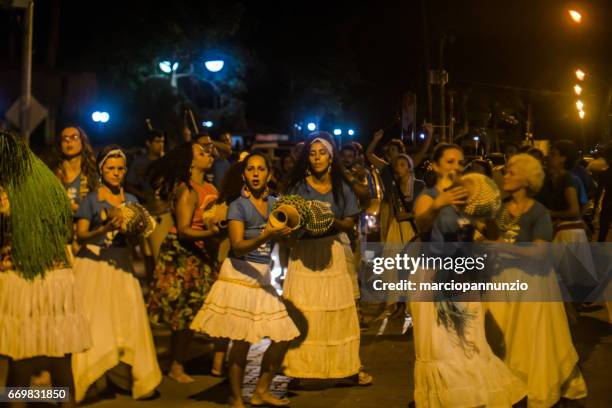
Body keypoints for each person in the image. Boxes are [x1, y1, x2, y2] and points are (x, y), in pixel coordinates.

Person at [412, 143, 526, 407]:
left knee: (469, 341)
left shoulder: (468, 198)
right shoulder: (428, 196)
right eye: (449, 161)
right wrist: (439, 205)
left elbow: (492, 234)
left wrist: (490, 211)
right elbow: (421, 226)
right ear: (437, 165)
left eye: (459, 162)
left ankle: (472, 396)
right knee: (440, 345)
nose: (455, 167)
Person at [190, 152, 299, 408]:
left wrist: (288, 233)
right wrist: (267, 234)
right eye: (251, 169)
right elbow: (238, 246)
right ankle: (236, 397)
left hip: (261, 277)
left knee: (283, 336)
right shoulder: (238, 205)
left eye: (261, 169)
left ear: (269, 174)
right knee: (240, 342)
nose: (256, 174)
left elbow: (285, 238)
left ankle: (261, 390)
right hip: (238, 274)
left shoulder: (275, 204)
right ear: (244, 175)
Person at [485, 153, 587, 407]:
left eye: (511, 172)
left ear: (527, 179)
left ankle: (530, 386)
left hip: (531, 283)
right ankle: (505, 384)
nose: (505, 175)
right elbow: (489, 240)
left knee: (529, 337)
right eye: (505, 171)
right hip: (501, 282)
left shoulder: (538, 211)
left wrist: (501, 248)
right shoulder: (499, 208)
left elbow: (541, 251)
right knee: (501, 335)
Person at [0, 130, 92, 407]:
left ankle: (16, 401)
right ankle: (61, 400)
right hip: (59, 277)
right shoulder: (51, 184)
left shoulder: (7, 191)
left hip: (23, 276)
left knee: (22, 352)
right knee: (59, 352)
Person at [71, 145, 161, 402]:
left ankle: (133, 377)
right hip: (94, 265)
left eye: (120, 168)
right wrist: (105, 228)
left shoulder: (131, 201)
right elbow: (81, 234)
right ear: (102, 170)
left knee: (128, 319)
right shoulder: (91, 200)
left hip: (121, 264)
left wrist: (132, 233)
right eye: (111, 168)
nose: (116, 172)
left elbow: (134, 242)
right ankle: (91, 376)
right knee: (95, 320)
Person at [282, 132, 372, 386]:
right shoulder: (298, 187)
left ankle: (349, 367)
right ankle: (297, 369)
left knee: (337, 313)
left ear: (331, 157)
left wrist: (330, 221)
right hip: (304, 254)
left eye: (322, 153)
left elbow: (349, 222)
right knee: (304, 311)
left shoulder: (343, 187)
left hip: (331, 252)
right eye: (312, 153)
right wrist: (298, 221)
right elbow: (289, 216)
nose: (317, 157)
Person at [147, 142, 221, 383]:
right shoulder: (186, 190)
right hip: (184, 256)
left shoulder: (209, 186)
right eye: (201, 153)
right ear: (190, 162)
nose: (208, 155)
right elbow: (185, 230)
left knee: (194, 313)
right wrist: (212, 234)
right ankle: (176, 365)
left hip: (202, 254)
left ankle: (180, 361)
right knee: (183, 313)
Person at [366, 124, 433, 243]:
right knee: (388, 240)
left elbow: (422, 151)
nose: (390, 152)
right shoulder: (386, 167)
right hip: (389, 207)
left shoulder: (409, 165)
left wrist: (429, 136)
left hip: (406, 211)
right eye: (389, 150)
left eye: (393, 150)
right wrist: (375, 140)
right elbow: (369, 154)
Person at [51, 125, 99, 214]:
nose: (68, 141)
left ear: (83, 142)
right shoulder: (52, 174)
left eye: (74, 137)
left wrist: (78, 209)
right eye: (64, 138)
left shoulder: (93, 172)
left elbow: (100, 207)